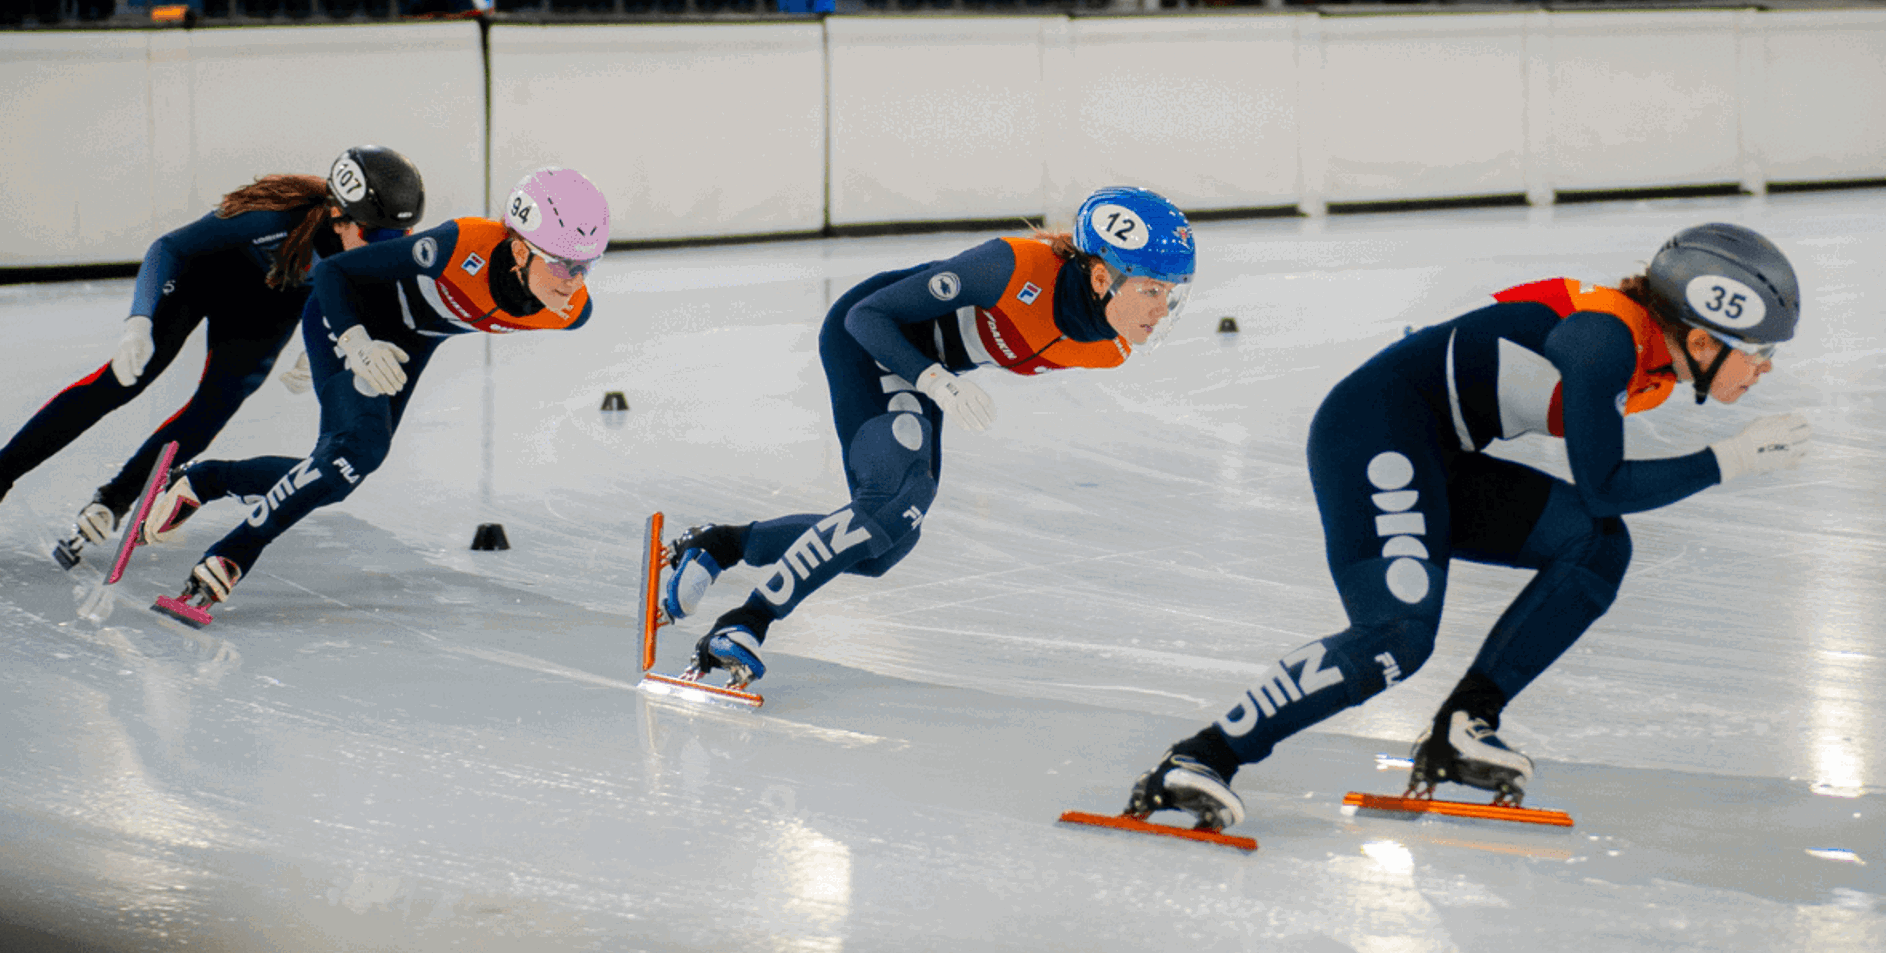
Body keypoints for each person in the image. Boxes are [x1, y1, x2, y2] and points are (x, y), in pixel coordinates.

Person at [1124, 223, 1812, 831]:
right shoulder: (1606, 339)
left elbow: (1595, 502)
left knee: (1594, 545)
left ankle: (1463, 727)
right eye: (1759, 352)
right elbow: (1604, 485)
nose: (1764, 370)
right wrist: (1729, 460)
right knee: (1396, 636)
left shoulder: (1643, 349)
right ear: (1701, 338)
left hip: (1433, 451)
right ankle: (1201, 755)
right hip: (1373, 435)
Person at [654, 186, 1197, 689]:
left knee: (881, 546)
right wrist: (937, 382)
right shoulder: (1012, 266)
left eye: (1171, 293)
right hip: (874, 340)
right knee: (894, 501)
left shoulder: (1113, 347)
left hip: (927, 370)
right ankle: (745, 623)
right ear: (1102, 279)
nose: (1161, 309)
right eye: (1151, 290)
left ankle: (720, 545)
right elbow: (868, 316)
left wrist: (939, 380)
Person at [130, 166, 610, 623]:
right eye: (565, 265)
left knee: (340, 473)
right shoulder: (459, 245)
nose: (576, 282)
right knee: (355, 452)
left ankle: (205, 480)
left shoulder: (568, 311)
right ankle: (230, 557)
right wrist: (352, 340)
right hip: (349, 315)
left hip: (407, 343)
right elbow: (335, 274)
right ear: (521, 250)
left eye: (588, 265)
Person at [0, 147, 426, 563]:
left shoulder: (369, 246)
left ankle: (116, 498)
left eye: (396, 236)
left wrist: (326, 340)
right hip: (203, 278)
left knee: (213, 410)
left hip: (269, 305)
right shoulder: (277, 218)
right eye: (373, 234)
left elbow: (355, 299)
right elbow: (170, 247)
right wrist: (139, 321)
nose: (383, 249)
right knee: (120, 382)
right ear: (337, 215)